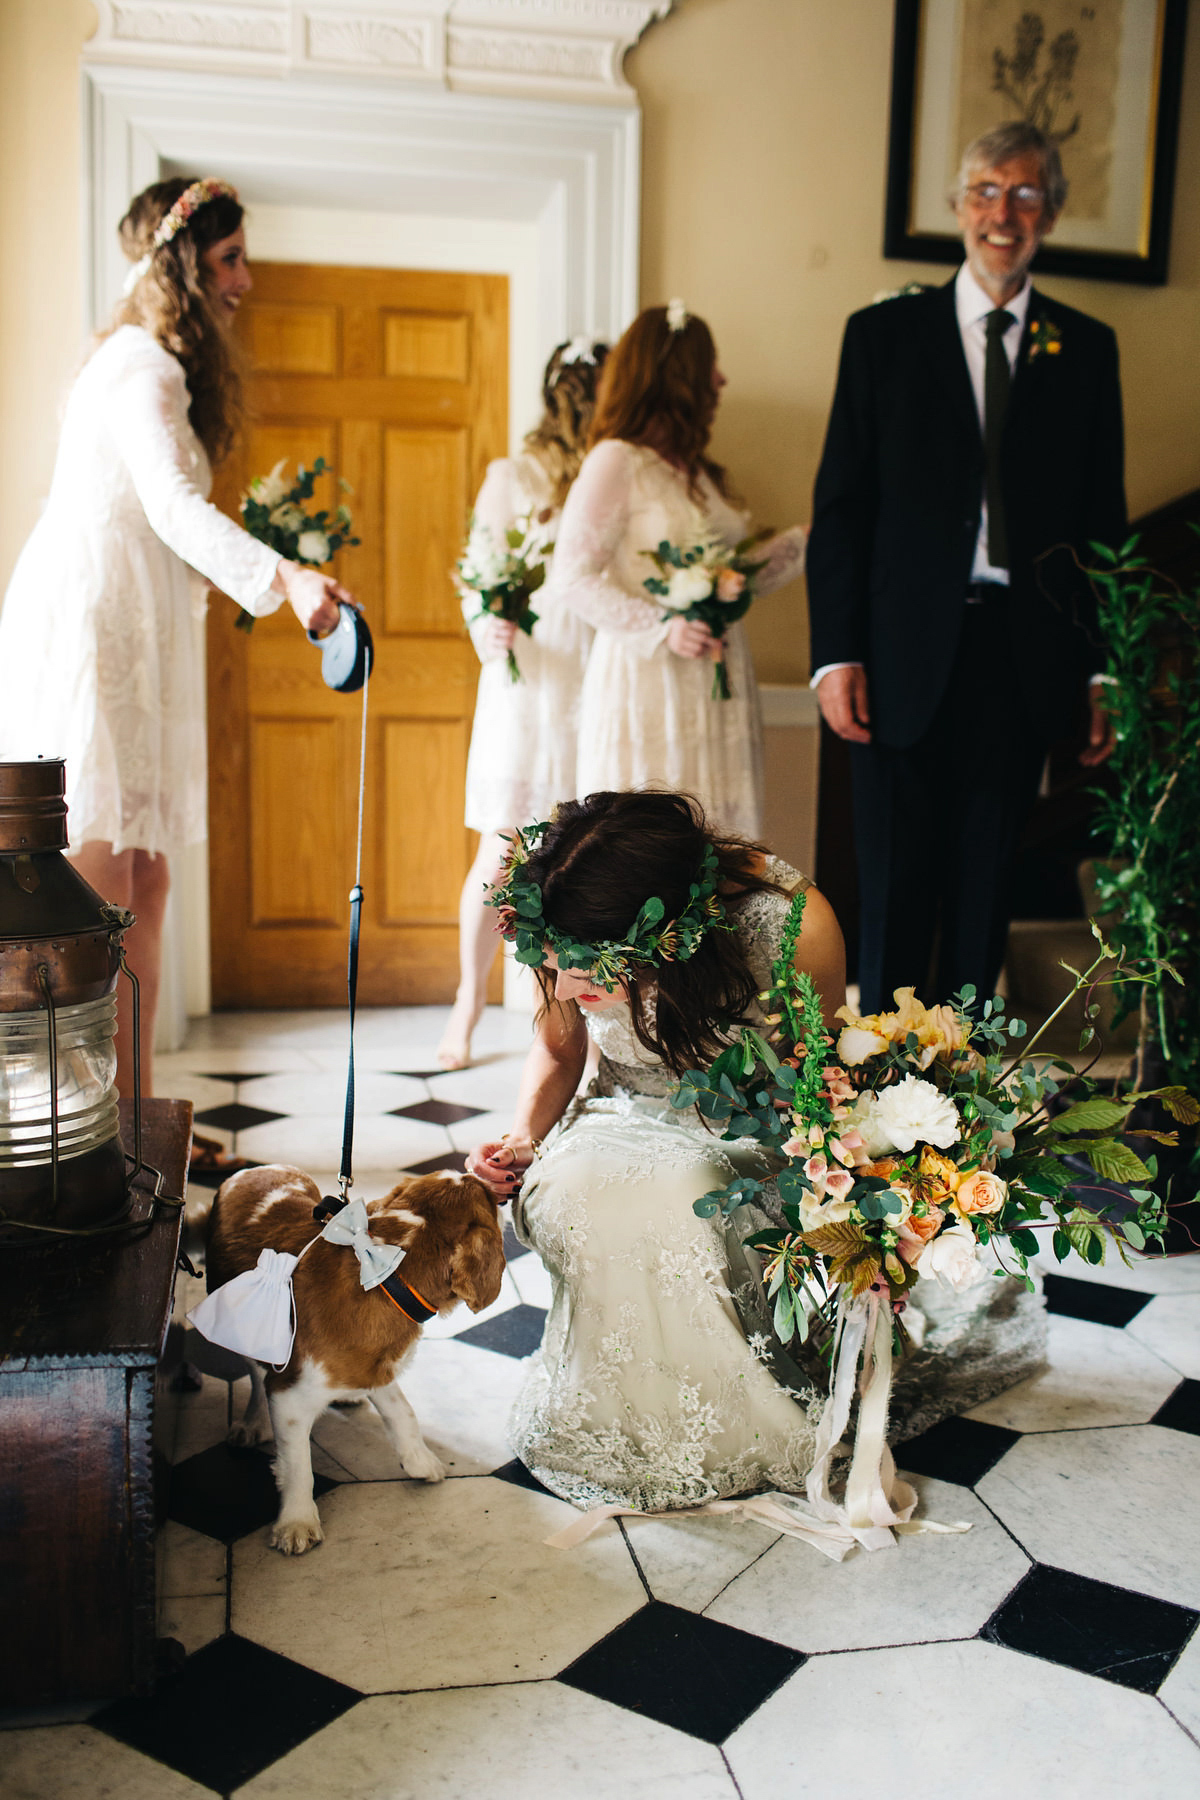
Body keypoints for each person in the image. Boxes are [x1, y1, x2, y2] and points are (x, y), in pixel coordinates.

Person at [0, 177, 348, 1117]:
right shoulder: (142, 366)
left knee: (142, 882)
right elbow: (167, 508)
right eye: (230, 259)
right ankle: (88, 1131)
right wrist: (286, 580)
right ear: (184, 264)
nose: (244, 279)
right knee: (103, 885)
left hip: (135, 626)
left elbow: (160, 526)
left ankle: (144, 1120)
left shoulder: (145, 364)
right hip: (95, 633)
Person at [807, 121, 1125, 1015]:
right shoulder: (882, 336)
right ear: (957, 207)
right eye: (986, 190)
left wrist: (1100, 668)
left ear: (1051, 214)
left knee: (987, 887)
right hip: (897, 655)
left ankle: (966, 1108)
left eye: (1027, 194)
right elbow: (843, 507)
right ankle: (879, 1104)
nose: (1003, 212)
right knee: (895, 882)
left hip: (1023, 660)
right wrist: (836, 653)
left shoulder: (1087, 349)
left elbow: (1102, 521)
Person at [466, 789, 846, 1511]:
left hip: (745, 1128)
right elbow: (556, 1049)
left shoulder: (793, 923)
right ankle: (613, 1416)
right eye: (560, 966)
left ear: (667, 933)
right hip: (621, 1110)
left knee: (679, 1199)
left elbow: (815, 1083)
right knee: (576, 1189)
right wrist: (522, 1137)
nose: (569, 983)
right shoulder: (567, 903)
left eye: (589, 970)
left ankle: (732, 1426)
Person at [548, 304, 806, 840]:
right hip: (649, 681)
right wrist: (664, 626)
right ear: (676, 374)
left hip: (716, 678)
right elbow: (572, 575)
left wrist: (808, 541)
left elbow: (737, 577)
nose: (721, 378)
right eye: (709, 364)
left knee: (721, 841)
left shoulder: (698, 473)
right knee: (651, 844)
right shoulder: (615, 460)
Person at [438, 338, 609, 1071]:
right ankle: (467, 1003)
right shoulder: (513, 476)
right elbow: (480, 573)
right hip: (528, 678)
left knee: (591, 850)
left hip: (595, 676)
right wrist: (488, 627)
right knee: (502, 846)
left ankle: (580, 1014)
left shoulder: (618, 471)